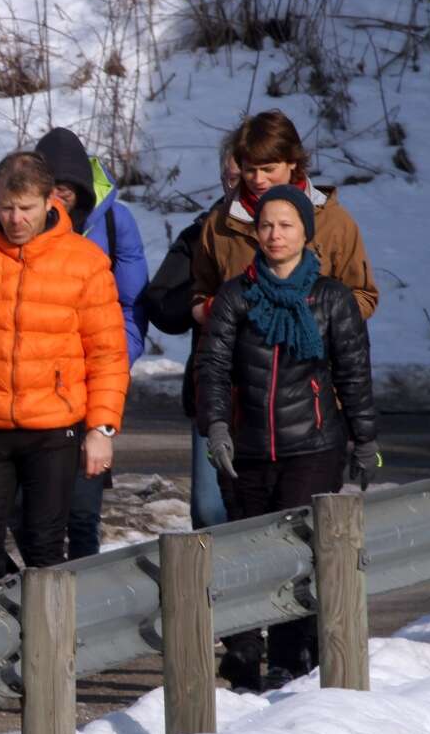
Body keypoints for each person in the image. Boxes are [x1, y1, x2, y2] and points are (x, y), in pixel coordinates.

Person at [197, 184, 378, 692]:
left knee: (296, 554)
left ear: (305, 232)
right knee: (247, 554)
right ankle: (243, 654)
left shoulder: (331, 297)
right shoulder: (236, 294)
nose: (275, 234)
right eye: (266, 225)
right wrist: (217, 427)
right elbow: (213, 367)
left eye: (286, 225)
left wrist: (365, 441)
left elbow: (354, 374)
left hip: (313, 446)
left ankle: (288, 657)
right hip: (248, 447)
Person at [0, 151, 129, 587]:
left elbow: (108, 353)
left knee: (44, 547)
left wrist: (101, 428)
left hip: (55, 429)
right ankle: (19, 614)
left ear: (50, 201)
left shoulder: (85, 261)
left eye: (26, 208)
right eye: (6, 208)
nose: (16, 219)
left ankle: (48, 629)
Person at [25, 127, 150, 558]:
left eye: (68, 185)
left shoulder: (114, 222)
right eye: (51, 186)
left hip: (92, 380)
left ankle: (84, 593)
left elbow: (133, 304)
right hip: (35, 381)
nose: (60, 195)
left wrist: (115, 361)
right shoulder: (21, 221)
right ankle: (42, 586)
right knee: (25, 510)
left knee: (82, 510)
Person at [192, 109, 378, 325]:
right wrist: (221, 312)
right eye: (250, 170)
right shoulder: (219, 223)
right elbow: (201, 294)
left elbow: (363, 296)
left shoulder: (333, 221)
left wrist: (316, 320)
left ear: (292, 162)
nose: (258, 179)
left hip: (315, 343)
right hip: (242, 345)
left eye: (268, 169)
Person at [140, 137, 238, 529]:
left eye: (249, 174)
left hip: (287, 398)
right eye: (230, 177)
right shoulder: (201, 233)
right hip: (214, 393)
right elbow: (163, 306)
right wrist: (203, 300)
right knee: (211, 512)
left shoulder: (296, 232)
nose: (239, 186)